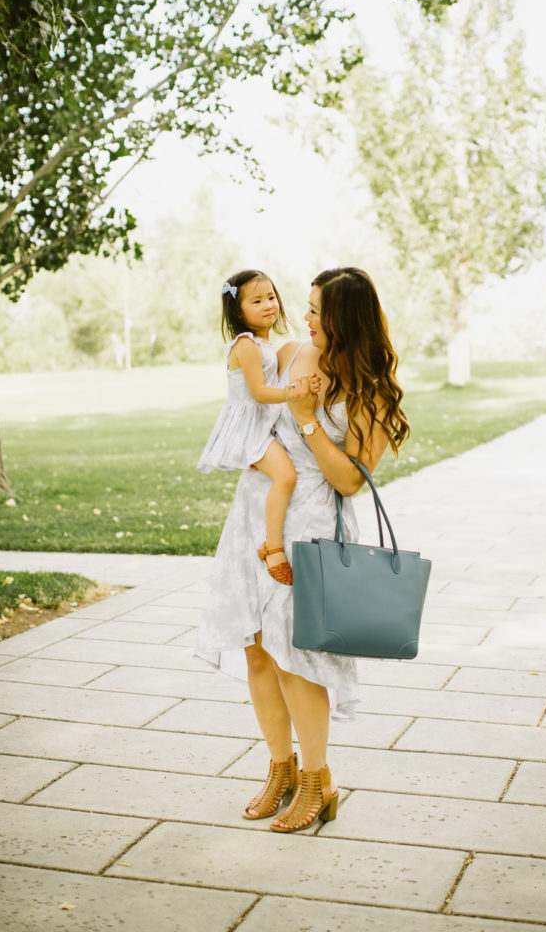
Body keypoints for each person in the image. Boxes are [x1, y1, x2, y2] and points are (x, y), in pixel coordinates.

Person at [195, 267, 409, 832]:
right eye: (308, 307)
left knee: (298, 659)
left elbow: (349, 481)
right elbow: (246, 407)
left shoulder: (371, 390)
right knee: (259, 650)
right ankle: (281, 770)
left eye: (316, 310)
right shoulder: (288, 353)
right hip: (256, 517)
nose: (305, 318)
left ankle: (320, 782)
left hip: (313, 526)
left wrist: (309, 421)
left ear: (346, 319)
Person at [197, 269, 319, 584]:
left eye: (271, 297)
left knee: (287, 475)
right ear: (238, 311)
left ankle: (275, 539)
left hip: (263, 424)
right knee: (286, 476)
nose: (268, 305)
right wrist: (295, 393)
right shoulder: (247, 345)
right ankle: (273, 547)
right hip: (249, 429)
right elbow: (261, 393)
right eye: (257, 301)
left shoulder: (266, 344)